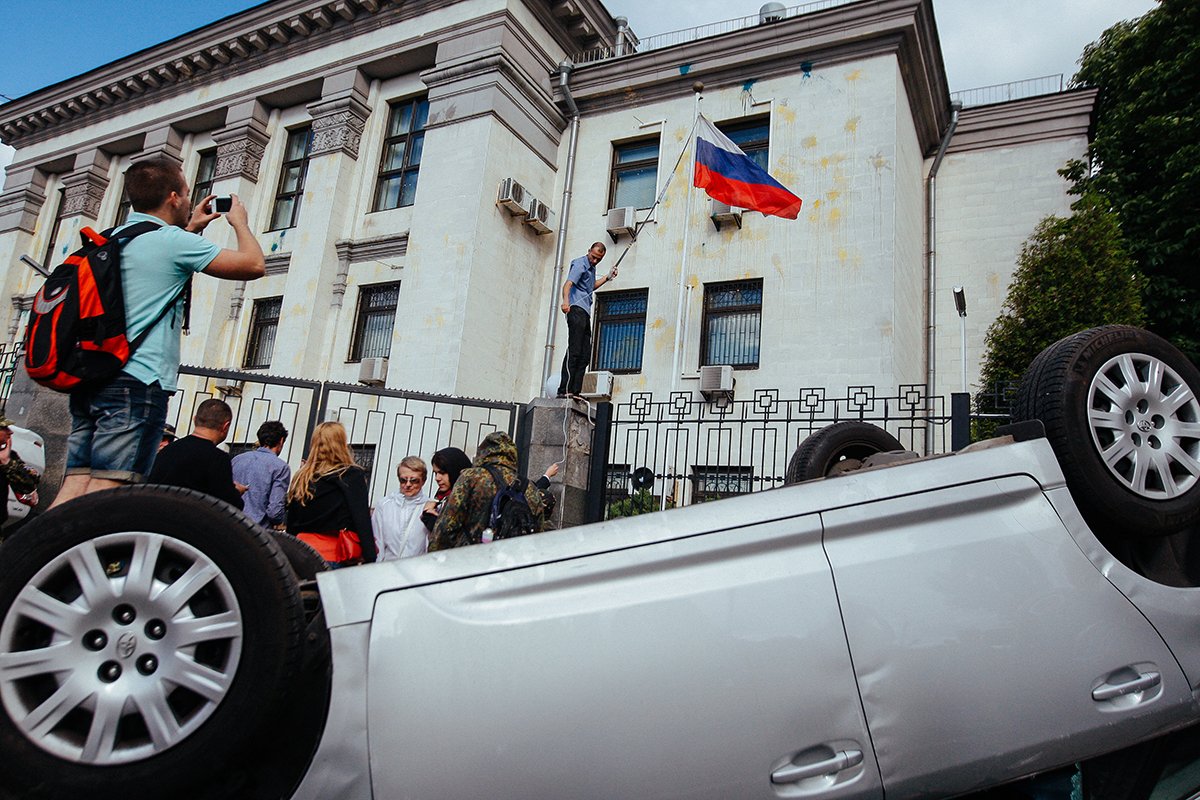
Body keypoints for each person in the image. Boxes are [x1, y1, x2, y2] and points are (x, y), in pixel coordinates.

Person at [51, 157, 265, 509]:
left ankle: (39, 560)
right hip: (136, 383)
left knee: (74, 486)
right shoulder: (171, 242)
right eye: (185, 192)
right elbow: (253, 264)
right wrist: (239, 223)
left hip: (92, 379)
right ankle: (84, 561)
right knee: (107, 493)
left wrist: (191, 230)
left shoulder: (109, 238)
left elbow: (158, 271)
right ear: (174, 197)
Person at [429, 431, 554, 552]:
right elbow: (538, 534)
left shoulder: (472, 477)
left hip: (471, 561)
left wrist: (435, 561)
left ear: (483, 453)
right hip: (510, 564)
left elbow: (446, 526)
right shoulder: (529, 487)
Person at [285, 421, 376, 567]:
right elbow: (361, 519)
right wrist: (370, 556)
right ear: (341, 443)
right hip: (334, 554)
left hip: (301, 553)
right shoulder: (350, 475)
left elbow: (292, 521)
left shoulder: (302, 477)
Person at [148, 398, 244, 509]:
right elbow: (228, 504)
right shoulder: (217, 458)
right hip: (187, 521)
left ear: (194, 420)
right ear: (225, 426)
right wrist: (236, 492)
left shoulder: (167, 450)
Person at [557, 242, 616, 398]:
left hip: (585, 313)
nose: (595, 261)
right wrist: (565, 301)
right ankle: (564, 390)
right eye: (593, 257)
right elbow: (568, 283)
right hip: (575, 309)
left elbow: (590, 288)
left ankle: (575, 391)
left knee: (585, 354)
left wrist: (607, 277)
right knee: (575, 350)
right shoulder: (580, 264)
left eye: (599, 259)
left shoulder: (591, 268)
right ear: (588, 251)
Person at [231, 420, 291, 528]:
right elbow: (274, 512)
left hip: (232, 524)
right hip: (258, 530)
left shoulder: (237, 460)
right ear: (281, 441)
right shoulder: (281, 468)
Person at [371, 456, 430, 561]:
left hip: (419, 571)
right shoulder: (384, 506)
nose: (408, 485)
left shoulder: (429, 506)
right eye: (403, 480)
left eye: (414, 480)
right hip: (389, 569)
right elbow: (377, 542)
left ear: (423, 481)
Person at [416, 446, 473, 534]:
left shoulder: (468, 499)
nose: (437, 478)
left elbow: (452, 535)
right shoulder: (443, 497)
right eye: (435, 473)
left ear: (455, 471)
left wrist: (431, 519)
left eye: (442, 473)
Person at [0, 418, 40, 524]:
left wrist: (7, 463)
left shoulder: (8, 457)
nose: (10, 432)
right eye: (4, 428)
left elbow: (30, 484)